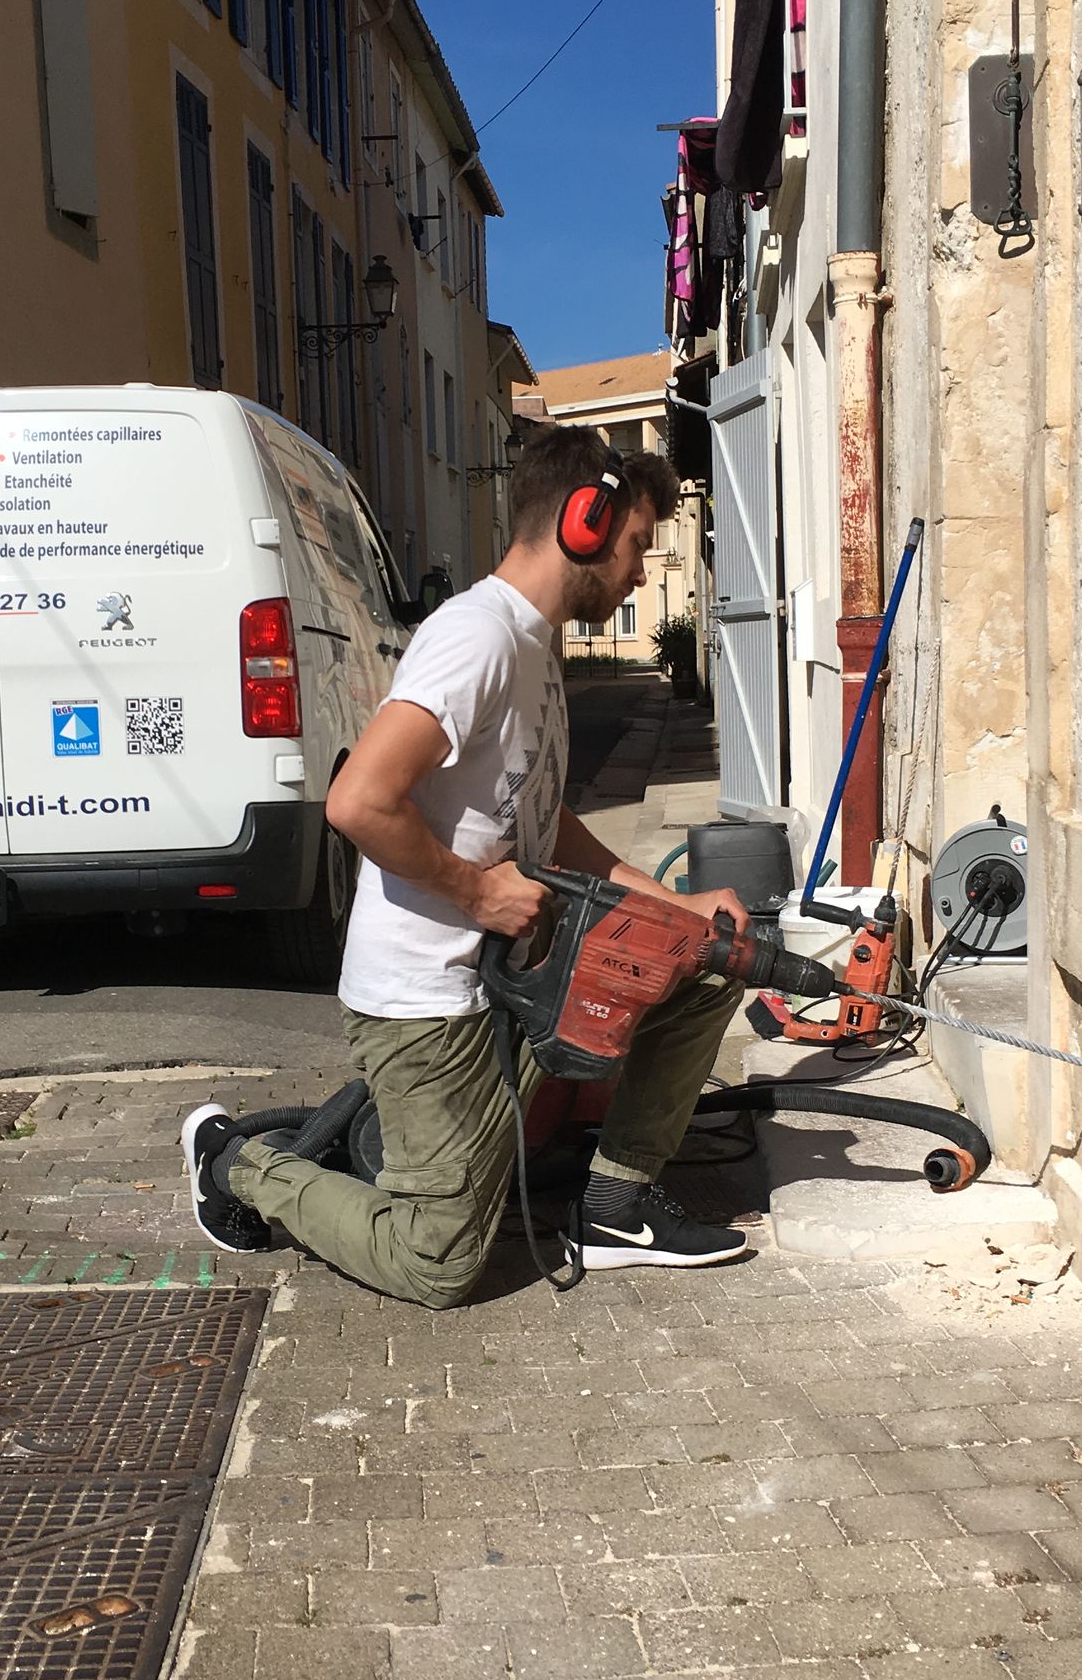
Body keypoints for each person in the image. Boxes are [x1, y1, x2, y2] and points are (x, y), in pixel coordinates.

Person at [180, 426, 754, 1306]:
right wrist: (478, 890)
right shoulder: (477, 637)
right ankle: (240, 1163)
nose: (643, 572)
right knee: (442, 1261)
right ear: (587, 523)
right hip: (426, 1006)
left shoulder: (535, 644)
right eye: (638, 544)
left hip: (511, 988)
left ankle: (615, 1205)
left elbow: (546, 824)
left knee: (707, 967)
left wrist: (676, 907)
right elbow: (360, 800)